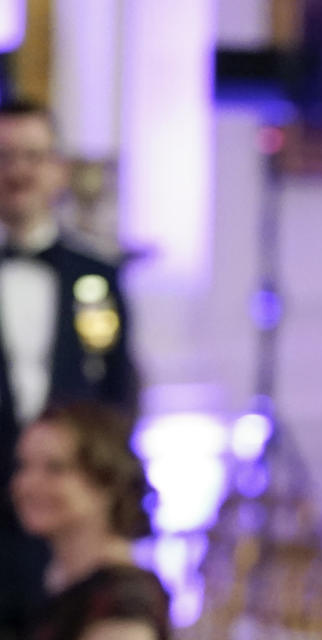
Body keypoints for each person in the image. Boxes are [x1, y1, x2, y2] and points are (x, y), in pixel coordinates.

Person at [0, 99, 139, 636]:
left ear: (56, 168)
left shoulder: (96, 277)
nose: (18, 171)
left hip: (72, 523)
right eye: (5, 156)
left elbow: (116, 393)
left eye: (32, 156)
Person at [11, 401, 169, 639]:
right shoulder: (62, 580)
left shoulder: (122, 601)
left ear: (106, 481)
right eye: (24, 465)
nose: (26, 484)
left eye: (55, 468)